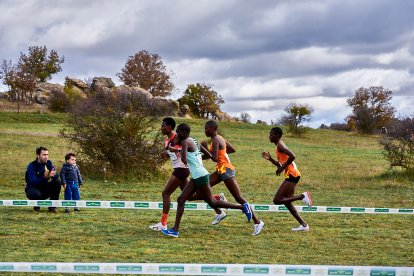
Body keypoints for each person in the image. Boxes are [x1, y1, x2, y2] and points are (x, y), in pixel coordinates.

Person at [161, 123, 253, 238]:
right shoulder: (194, 140)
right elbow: (210, 155)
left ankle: (242, 207)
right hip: (198, 175)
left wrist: (175, 151)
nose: (176, 135)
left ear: (183, 133)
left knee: (211, 202)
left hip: (199, 175)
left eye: (178, 133)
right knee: (181, 199)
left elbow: (184, 160)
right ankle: (175, 230)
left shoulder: (185, 142)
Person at [149, 118, 225, 231]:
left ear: (169, 127)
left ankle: (163, 224)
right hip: (182, 169)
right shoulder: (168, 139)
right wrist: (167, 154)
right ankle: (218, 202)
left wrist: (172, 150)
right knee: (189, 196)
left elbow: (185, 149)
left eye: (163, 126)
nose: (161, 128)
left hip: (181, 169)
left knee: (166, 193)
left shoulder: (177, 137)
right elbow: (177, 152)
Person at [202, 120, 264, 235]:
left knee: (239, 197)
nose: (205, 131)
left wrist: (205, 148)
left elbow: (214, 158)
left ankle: (258, 222)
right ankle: (219, 206)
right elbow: (231, 149)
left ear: (212, 128)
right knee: (204, 187)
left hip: (226, 170)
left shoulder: (216, 140)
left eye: (206, 129)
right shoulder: (219, 138)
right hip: (221, 170)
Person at [261, 127, 312, 231]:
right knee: (287, 203)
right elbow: (281, 164)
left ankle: (302, 196)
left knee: (277, 200)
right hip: (293, 174)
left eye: (271, 135)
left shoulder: (280, 145)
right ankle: (304, 226)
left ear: (277, 136)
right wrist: (270, 159)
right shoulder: (278, 146)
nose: (269, 136)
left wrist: (282, 168)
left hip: (292, 174)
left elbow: (293, 156)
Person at [25, 146, 61, 213]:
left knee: (57, 182)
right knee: (36, 194)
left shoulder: (49, 163)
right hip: (32, 190)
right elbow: (33, 182)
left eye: (47, 154)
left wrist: (52, 175)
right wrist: (44, 177)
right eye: (44, 155)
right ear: (38, 155)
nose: (46, 157)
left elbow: (56, 175)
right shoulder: (32, 166)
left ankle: (52, 207)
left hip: (44, 189)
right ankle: (36, 206)